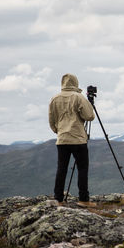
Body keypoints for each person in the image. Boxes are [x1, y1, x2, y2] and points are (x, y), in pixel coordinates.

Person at [48, 73, 95, 207]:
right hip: (78, 139)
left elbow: (51, 120)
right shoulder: (78, 97)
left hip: (62, 140)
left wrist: (59, 131)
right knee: (82, 168)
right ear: (75, 82)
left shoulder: (54, 98)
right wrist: (89, 104)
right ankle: (84, 199)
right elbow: (89, 116)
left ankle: (58, 199)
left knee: (61, 169)